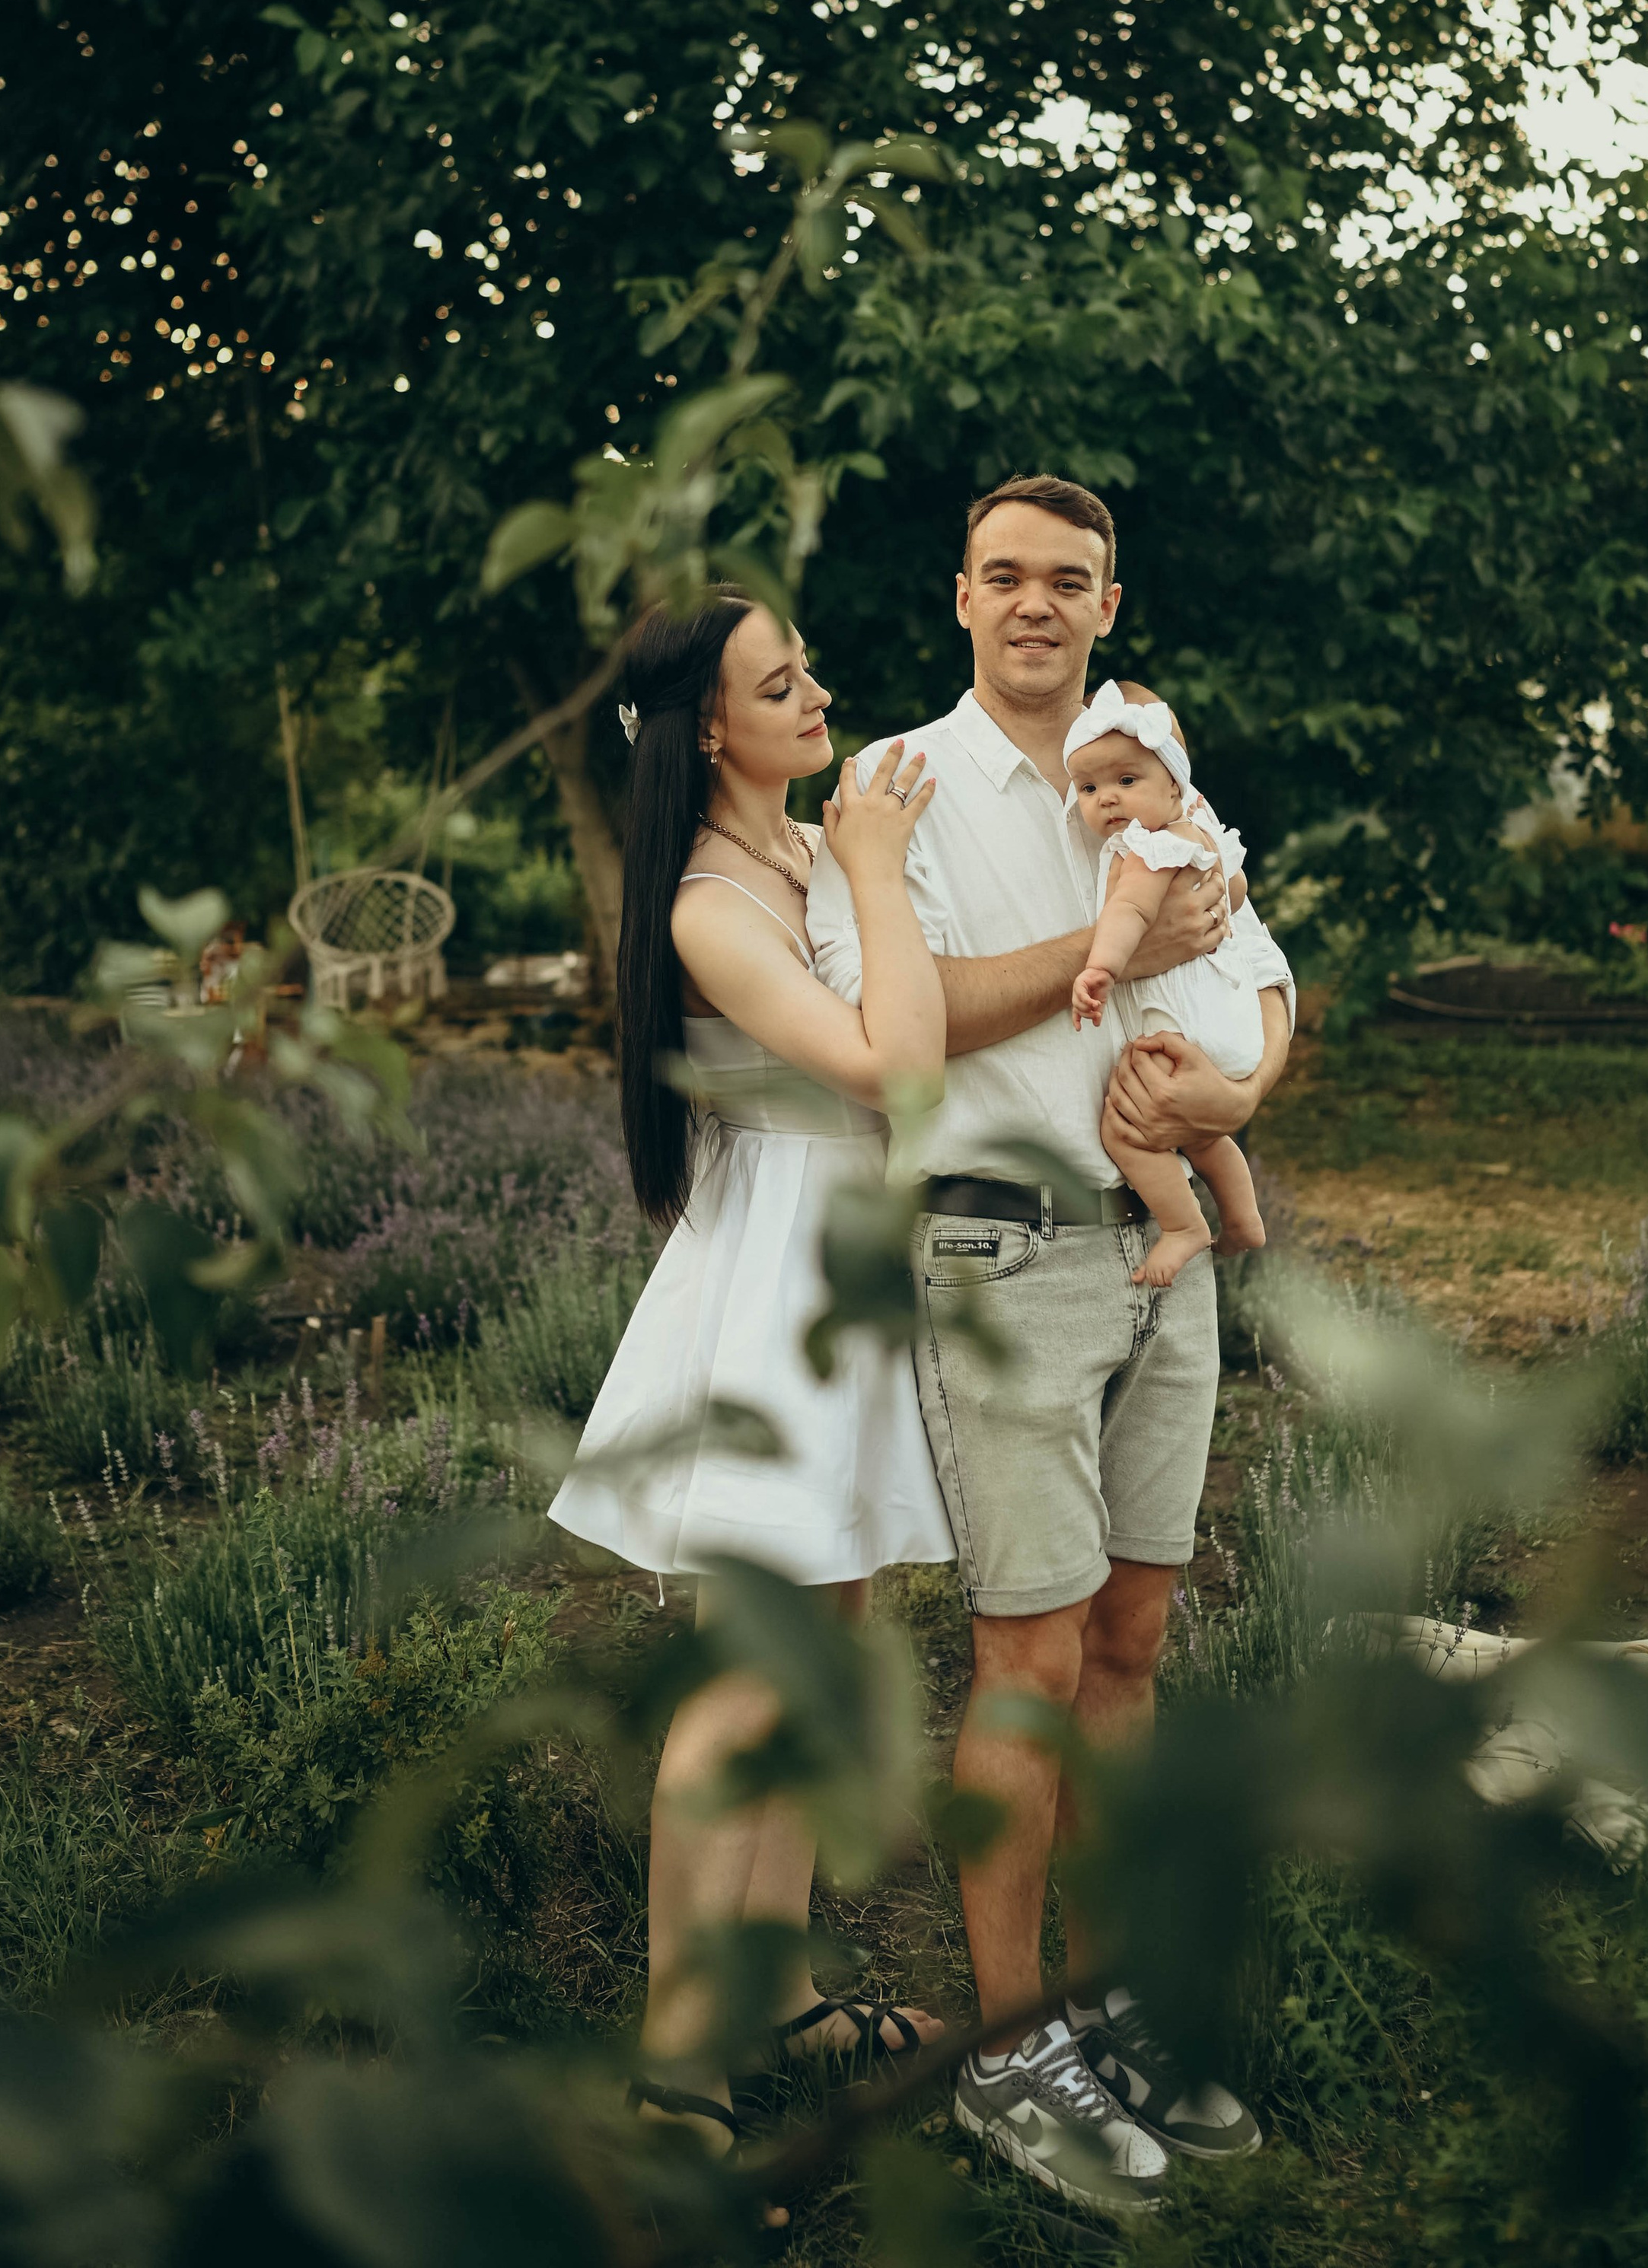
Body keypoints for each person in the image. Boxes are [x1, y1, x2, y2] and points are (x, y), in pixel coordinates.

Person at [807, 474, 1294, 2215]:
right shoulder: (891, 787)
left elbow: (1256, 972)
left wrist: (1234, 1076)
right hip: (997, 1243)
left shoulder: (1151, 768)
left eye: (1065, 578)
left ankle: (1113, 2003)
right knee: (1023, 1652)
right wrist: (1105, 952)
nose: (1033, 600)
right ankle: (1009, 2044)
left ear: (1104, 596)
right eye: (1002, 573)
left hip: (1158, 1253)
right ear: (957, 594)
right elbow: (890, 1036)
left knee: (1131, 1636)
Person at [548, 590, 955, 2183]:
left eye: (809, 665)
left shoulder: (794, 854)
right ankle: (668, 2066)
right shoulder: (716, 902)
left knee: (828, 1638)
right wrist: (873, 870)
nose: (817, 693)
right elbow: (890, 1067)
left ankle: (777, 1990)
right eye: (780, 683)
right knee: (739, 1680)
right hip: (774, 1298)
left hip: (849, 1273)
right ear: (705, 730)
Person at [1066, 676, 1295, 1279]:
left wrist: (1100, 968)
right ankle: (1244, 1218)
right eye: (1089, 787)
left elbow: (1130, 912)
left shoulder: (1150, 846)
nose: (1107, 800)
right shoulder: (1198, 833)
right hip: (1229, 1026)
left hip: (1187, 1030)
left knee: (1129, 1131)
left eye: (1125, 781)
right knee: (1197, 1135)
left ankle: (1185, 1224)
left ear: (1175, 782)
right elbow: (1237, 894)